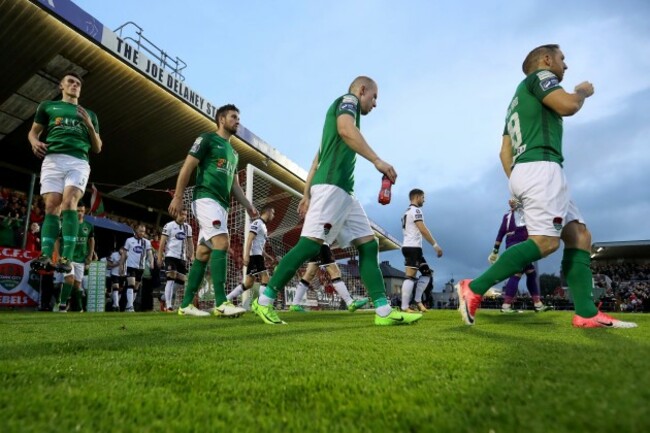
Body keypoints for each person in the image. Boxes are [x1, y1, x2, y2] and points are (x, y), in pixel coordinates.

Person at [457, 44, 636, 328]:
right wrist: (582, 92)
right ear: (546, 60)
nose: (566, 66)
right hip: (542, 166)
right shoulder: (540, 78)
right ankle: (474, 287)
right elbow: (568, 106)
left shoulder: (514, 101)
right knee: (546, 242)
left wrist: (516, 183)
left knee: (579, 235)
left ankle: (587, 314)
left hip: (529, 169)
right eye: (562, 59)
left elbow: (504, 152)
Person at [252, 76, 422, 326]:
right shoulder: (348, 101)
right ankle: (264, 301)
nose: (375, 104)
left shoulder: (339, 122)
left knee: (369, 245)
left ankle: (383, 311)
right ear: (362, 90)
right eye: (374, 97)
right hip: (331, 187)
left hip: (345, 193)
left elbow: (315, 160)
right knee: (310, 246)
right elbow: (345, 130)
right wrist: (377, 161)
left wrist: (306, 193)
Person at [168, 104, 258, 317]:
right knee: (222, 242)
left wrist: (248, 205)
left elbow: (235, 186)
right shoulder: (207, 139)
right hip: (205, 199)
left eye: (239, 117)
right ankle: (221, 302)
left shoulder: (234, 154)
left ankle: (186, 305)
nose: (238, 121)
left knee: (203, 252)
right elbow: (188, 166)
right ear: (221, 119)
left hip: (221, 206)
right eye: (234, 117)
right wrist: (178, 197)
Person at [28, 71, 102, 273]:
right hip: (52, 159)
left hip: (78, 160)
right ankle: (44, 255)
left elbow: (97, 147)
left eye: (78, 83)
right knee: (52, 206)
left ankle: (66, 258)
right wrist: (34, 142)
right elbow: (34, 132)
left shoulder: (90, 114)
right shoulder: (48, 106)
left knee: (70, 202)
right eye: (70, 81)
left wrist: (88, 124)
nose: (74, 85)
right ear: (61, 85)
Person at [489, 198, 552, 313]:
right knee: (518, 274)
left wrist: (495, 251)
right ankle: (507, 306)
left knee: (530, 273)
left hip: (515, 248)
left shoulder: (508, 217)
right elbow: (502, 234)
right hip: (520, 248)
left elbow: (500, 235)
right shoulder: (522, 217)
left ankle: (537, 304)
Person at [289, 243, 369, 313]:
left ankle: (295, 304)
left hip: (315, 244)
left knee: (309, 274)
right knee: (335, 272)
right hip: (321, 244)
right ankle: (350, 302)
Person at [399, 188, 443, 313]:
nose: (424, 200)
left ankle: (418, 302)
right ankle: (405, 307)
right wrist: (435, 245)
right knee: (410, 277)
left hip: (410, 247)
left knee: (426, 273)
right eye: (423, 197)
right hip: (413, 248)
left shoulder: (406, 212)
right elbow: (423, 229)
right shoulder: (416, 210)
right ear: (417, 197)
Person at [226, 204, 276, 304]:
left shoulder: (263, 225)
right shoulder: (257, 223)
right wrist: (246, 255)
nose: (273, 216)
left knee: (248, 283)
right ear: (268, 212)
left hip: (257, 255)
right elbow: (249, 239)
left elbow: (258, 245)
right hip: (255, 256)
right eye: (273, 213)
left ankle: (226, 298)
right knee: (265, 277)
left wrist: (267, 256)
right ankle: (262, 304)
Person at [157, 209, 194, 312]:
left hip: (182, 258)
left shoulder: (188, 227)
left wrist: (192, 254)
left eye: (186, 215)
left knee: (180, 283)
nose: (184, 217)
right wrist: (160, 257)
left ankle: (163, 298)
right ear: (177, 214)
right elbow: (162, 243)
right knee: (171, 279)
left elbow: (190, 242)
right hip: (170, 256)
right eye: (182, 214)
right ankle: (168, 306)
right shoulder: (169, 226)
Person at [120, 224, 154, 312]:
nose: (142, 233)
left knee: (135, 288)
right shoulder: (129, 240)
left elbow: (150, 253)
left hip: (141, 268)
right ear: (136, 230)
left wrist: (151, 262)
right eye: (140, 231)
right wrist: (121, 265)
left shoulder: (146, 242)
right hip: (131, 266)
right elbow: (124, 254)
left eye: (143, 231)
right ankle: (131, 306)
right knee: (131, 285)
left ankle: (128, 306)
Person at [107, 247, 124, 311]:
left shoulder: (128, 254)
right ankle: (116, 305)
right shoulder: (114, 255)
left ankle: (115, 303)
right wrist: (117, 264)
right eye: (121, 249)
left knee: (121, 290)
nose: (122, 251)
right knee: (115, 288)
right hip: (115, 274)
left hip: (123, 275)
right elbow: (108, 264)